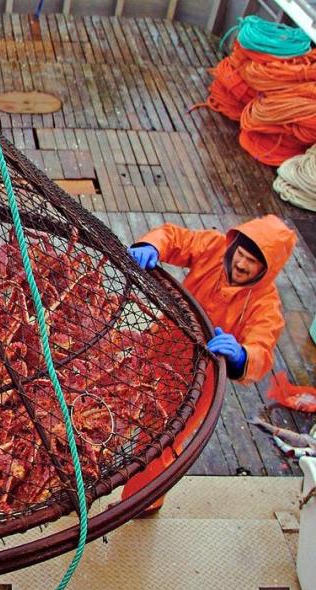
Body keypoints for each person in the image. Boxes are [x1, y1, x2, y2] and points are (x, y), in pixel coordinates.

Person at [120, 214, 297, 512]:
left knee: (163, 443)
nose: (241, 264)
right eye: (240, 254)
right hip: (160, 346)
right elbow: (174, 237)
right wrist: (152, 245)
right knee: (116, 401)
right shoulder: (214, 247)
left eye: (252, 262)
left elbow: (262, 348)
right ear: (233, 246)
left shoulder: (266, 304)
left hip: (199, 381)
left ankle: (139, 506)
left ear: (267, 270)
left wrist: (241, 355)